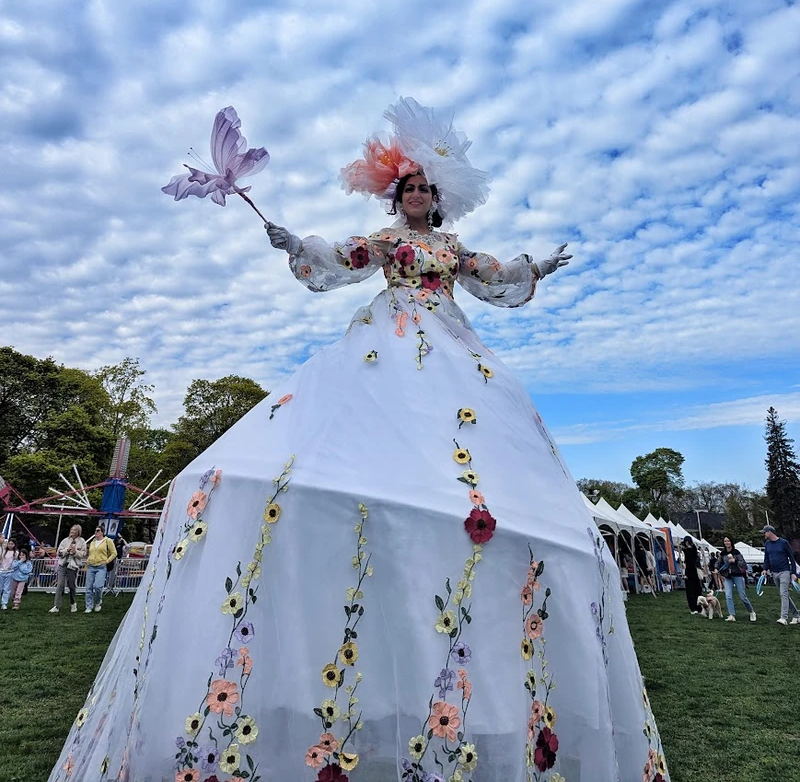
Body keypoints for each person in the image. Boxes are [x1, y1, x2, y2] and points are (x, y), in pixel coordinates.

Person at [51, 98, 670, 781]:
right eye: (406, 188)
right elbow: (343, 256)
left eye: (423, 189)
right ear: (395, 197)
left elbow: (492, 276)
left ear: (437, 200)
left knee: (462, 459)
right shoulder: (385, 246)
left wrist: (538, 266)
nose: (415, 196)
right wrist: (297, 246)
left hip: (452, 345)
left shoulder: (451, 248)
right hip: (386, 339)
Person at [759, 525, 800, 625]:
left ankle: (784, 618)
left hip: (785, 571)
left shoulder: (783, 543)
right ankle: (796, 615)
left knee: (783, 594)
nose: (763, 534)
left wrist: (793, 573)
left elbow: (791, 558)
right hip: (774, 572)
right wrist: (764, 569)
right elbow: (766, 558)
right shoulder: (767, 544)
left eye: (765, 532)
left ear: (770, 532)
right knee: (784, 595)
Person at [717, 535, 756, 622]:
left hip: (738, 575)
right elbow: (718, 562)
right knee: (728, 596)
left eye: (728, 541)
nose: (727, 543)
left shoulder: (736, 553)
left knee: (743, 596)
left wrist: (735, 561)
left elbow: (744, 564)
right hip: (728, 576)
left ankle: (751, 612)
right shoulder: (722, 554)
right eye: (725, 541)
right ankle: (732, 615)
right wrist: (716, 568)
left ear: (731, 542)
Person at [49, 525, 87, 614]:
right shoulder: (65, 541)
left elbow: (83, 553)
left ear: (78, 532)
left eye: (74, 530)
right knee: (60, 585)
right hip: (63, 565)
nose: (72, 531)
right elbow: (59, 552)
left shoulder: (82, 542)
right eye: (71, 529)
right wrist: (67, 550)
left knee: (71, 586)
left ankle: (73, 603)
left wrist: (75, 552)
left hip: (73, 567)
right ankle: (56, 606)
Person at [84, 525, 117, 613]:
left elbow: (114, 553)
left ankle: (98, 602)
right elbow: (90, 553)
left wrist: (107, 561)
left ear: (102, 532)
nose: (96, 532)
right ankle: (88, 606)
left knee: (98, 586)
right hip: (91, 565)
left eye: (98, 530)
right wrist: (87, 561)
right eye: (95, 531)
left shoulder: (108, 541)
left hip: (101, 566)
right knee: (89, 587)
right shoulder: (92, 542)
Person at [681, 536, 703, 614]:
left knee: (691, 592)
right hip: (694, 573)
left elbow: (689, 563)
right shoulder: (694, 549)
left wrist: (686, 574)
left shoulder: (689, 551)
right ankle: (699, 607)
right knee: (697, 590)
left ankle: (694, 608)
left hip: (690, 573)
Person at [0, 537, 17, 610]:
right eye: (9, 544)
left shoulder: (16, 553)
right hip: (1, 571)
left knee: (7, 589)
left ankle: (4, 603)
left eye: (12, 544)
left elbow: (16, 563)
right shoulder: (3, 551)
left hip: (10, 572)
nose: (10, 545)